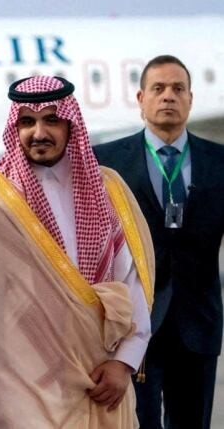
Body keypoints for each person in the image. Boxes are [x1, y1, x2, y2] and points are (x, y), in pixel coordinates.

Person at [0, 76, 154, 428]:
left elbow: (132, 284)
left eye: (51, 120)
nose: (39, 133)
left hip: (97, 374)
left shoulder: (108, 190)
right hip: (15, 381)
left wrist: (125, 361)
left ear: (71, 124)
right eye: (27, 121)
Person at [94, 55, 224, 428]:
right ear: (140, 99)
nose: (168, 96)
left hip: (198, 326)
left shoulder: (218, 161)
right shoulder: (106, 161)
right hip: (131, 328)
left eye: (178, 89)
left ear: (190, 99)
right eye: (158, 89)